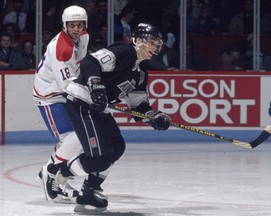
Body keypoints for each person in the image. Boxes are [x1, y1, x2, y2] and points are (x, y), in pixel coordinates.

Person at [41, 23, 171, 214]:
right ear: (138, 40)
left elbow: (139, 106)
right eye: (151, 42)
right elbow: (89, 63)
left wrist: (154, 116)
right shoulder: (125, 52)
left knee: (117, 147)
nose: (154, 48)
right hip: (82, 103)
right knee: (99, 160)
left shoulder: (141, 74)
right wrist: (96, 86)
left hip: (98, 109)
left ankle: (89, 190)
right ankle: (57, 171)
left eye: (156, 44)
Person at [33, 5, 89, 203]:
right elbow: (68, 86)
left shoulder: (84, 35)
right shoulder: (61, 49)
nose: (76, 29)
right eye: (71, 25)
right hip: (50, 96)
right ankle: (51, 170)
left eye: (79, 25)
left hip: (64, 93)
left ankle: (51, 172)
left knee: (78, 138)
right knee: (73, 138)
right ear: (64, 25)